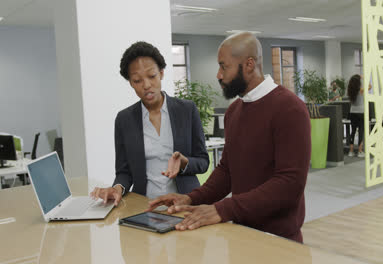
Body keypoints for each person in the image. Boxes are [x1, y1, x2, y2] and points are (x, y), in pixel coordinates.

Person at [147, 32, 311, 243]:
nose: (218, 74)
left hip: (280, 240)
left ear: (249, 64)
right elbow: (227, 171)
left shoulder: (290, 108)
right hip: (240, 233)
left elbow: (290, 184)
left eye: (224, 66)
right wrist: (191, 198)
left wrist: (223, 209)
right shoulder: (234, 111)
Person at [90, 41, 209, 205]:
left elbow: (203, 162)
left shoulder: (187, 110)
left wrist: (184, 163)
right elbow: (124, 172)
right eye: (137, 80)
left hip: (184, 204)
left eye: (152, 76)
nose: (146, 85)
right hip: (144, 207)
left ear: (161, 73)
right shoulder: (124, 119)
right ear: (131, 83)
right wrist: (117, 188)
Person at [347, 74, 366, 158]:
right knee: (361, 131)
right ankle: (360, 151)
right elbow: (370, 86)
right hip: (361, 112)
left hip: (352, 112)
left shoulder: (350, 91)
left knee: (353, 131)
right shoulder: (361, 90)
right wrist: (363, 78)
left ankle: (351, 151)